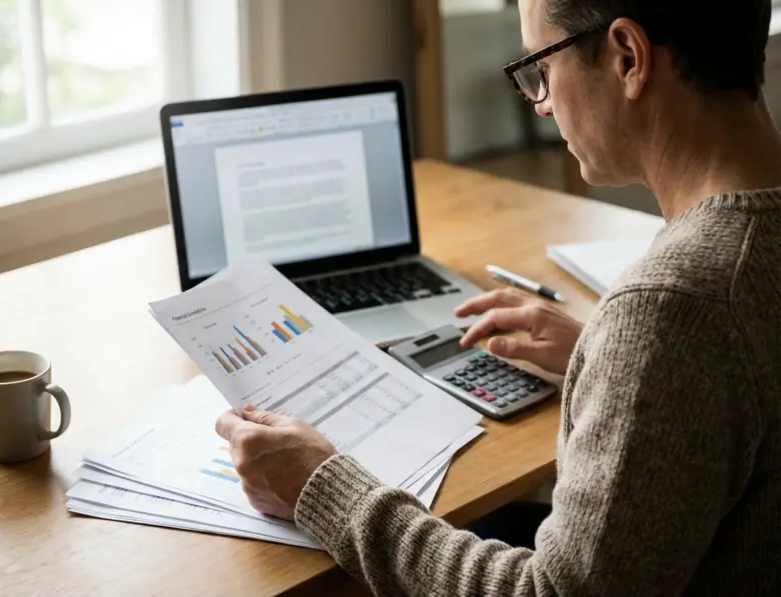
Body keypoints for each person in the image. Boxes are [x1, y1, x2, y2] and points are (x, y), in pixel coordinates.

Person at [215, 0, 781, 594]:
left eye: (540, 68)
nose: (540, 102)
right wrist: (603, 358)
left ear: (627, 57)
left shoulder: (673, 306)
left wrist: (321, 485)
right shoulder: (708, 294)